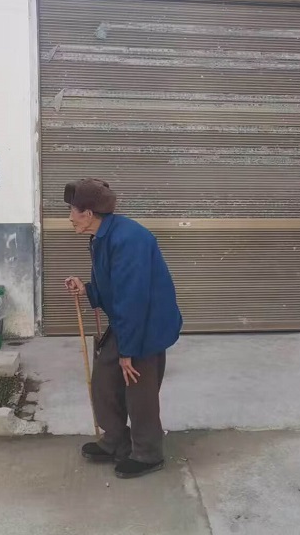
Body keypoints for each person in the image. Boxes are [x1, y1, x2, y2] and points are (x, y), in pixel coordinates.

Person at [63, 178, 183, 480]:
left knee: (139, 390)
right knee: (105, 379)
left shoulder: (129, 240)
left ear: (88, 213)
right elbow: (112, 284)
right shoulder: (103, 235)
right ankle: (116, 439)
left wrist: (127, 351)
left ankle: (147, 453)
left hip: (147, 323)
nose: (69, 218)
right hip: (129, 319)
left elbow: (133, 297)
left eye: (72, 211)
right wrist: (87, 290)